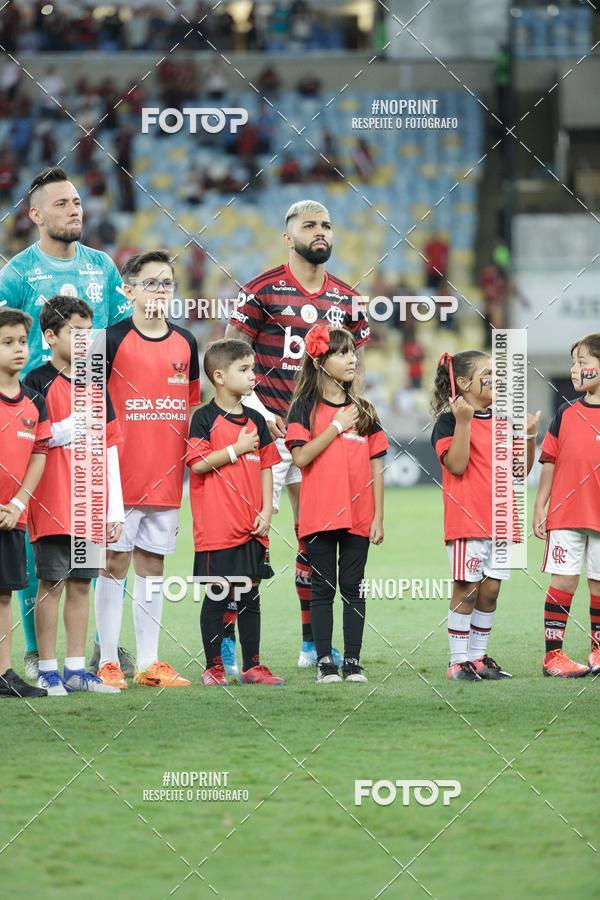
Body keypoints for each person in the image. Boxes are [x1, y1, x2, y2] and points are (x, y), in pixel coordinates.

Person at [225, 199, 370, 670]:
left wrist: (350, 416)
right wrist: (255, 413)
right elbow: (229, 358)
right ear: (289, 237)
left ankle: (312, 644)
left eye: (326, 224)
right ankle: (229, 646)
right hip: (266, 429)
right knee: (247, 537)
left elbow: (357, 367)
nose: (320, 231)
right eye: (309, 225)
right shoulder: (260, 290)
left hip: (318, 436)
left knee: (316, 538)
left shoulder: (348, 298)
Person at [0, 166, 132, 680]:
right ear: (35, 214)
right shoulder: (17, 273)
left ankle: (88, 655)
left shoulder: (102, 267)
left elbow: (119, 336)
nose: (74, 210)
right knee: (38, 543)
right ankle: (39, 653)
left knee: (87, 537)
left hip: (89, 406)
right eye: (61, 203)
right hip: (32, 410)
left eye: (76, 202)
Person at [95, 250, 200, 689]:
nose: (160, 290)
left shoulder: (187, 343)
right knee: (113, 562)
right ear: (128, 289)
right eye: (151, 282)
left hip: (167, 476)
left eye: (167, 283)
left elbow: (190, 408)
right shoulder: (108, 340)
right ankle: (106, 661)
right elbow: (90, 405)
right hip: (118, 476)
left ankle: (149, 662)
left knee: (153, 566)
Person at [24, 296, 124, 696]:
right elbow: (37, 438)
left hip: (90, 503)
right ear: (50, 336)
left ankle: (77, 670)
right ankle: (47, 670)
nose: (85, 340)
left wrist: (114, 509)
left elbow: (110, 446)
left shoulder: (96, 384)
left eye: (89, 332)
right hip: (51, 501)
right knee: (51, 583)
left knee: (83, 584)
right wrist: (73, 426)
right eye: (75, 332)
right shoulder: (35, 382)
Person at [286, 324, 388, 683]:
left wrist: (378, 516)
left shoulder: (365, 410)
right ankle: (325, 662)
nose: (352, 359)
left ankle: (353, 661)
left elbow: (376, 466)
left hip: (359, 516)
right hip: (319, 514)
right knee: (322, 589)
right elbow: (301, 458)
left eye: (352, 352)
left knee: (353, 588)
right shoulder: (303, 408)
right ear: (320, 361)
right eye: (342, 353)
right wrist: (336, 426)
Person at [431, 351, 538, 681]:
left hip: (502, 521)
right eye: (489, 372)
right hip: (468, 521)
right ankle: (457, 662)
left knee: (490, 592)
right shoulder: (448, 422)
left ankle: (478, 658)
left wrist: (529, 437)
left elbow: (520, 471)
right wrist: (464, 422)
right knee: (467, 589)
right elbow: (457, 464)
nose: (498, 377)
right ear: (464, 383)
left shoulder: (503, 420)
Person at [187, 339, 284, 686]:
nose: (252, 375)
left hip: (251, 525)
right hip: (217, 528)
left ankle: (252, 666)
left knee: (250, 595)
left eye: (252, 368)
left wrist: (266, 511)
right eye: (244, 369)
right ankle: (213, 667)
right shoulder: (204, 418)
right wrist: (236, 449)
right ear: (219, 376)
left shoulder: (257, 420)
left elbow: (267, 467)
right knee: (218, 594)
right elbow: (198, 464)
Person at [533, 333, 600, 678]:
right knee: (564, 581)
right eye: (573, 363)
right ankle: (553, 657)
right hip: (566, 514)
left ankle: (597, 650)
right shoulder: (566, 412)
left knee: (598, 584)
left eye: (582, 362)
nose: (574, 369)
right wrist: (540, 505)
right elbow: (549, 460)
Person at [0, 308, 49, 699]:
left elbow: (39, 454)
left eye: (22, 342)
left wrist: (18, 503)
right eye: (7, 342)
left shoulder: (34, 400)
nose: (19, 349)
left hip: (12, 516)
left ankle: (4, 674)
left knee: (4, 594)